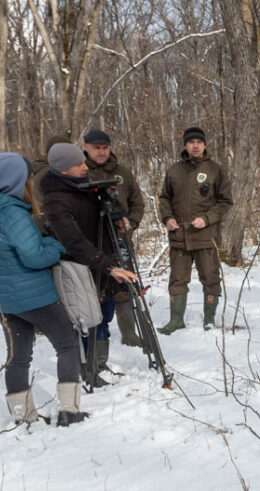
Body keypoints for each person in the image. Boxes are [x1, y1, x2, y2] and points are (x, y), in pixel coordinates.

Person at [0, 152, 86, 427]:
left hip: (3, 300)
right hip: (32, 296)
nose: (31, 181)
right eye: (28, 177)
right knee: (67, 344)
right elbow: (34, 257)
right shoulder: (13, 214)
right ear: (16, 181)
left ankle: (24, 417)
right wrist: (54, 247)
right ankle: (69, 410)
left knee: (18, 357)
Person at [38, 142, 139, 386]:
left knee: (104, 315)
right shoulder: (55, 198)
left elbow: (111, 213)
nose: (86, 166)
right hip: (81, 267)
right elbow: (73, 240)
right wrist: (105, 265)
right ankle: (86, 369)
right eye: (79, 164)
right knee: (86, 319)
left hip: (104, 260)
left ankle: (99, 366)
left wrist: (116, 212)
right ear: (63, 169)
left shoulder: (86, 184)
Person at [157, 126, 233, 333]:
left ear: (205, 144)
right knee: (177, 280)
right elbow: (164, 198)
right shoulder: (174, 170)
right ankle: (176, 320)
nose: (196, 145)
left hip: (206, 237)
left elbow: (225, 202)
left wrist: (207, 219)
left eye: (199, 142)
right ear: (185, 145)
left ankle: (209, 319)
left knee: (210, 277)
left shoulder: (215, 170)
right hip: (179, 237)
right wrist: (168, 218)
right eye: (191, 142)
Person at [83, 128, 147, 348]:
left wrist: (131, 221)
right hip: (93, 242)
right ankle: (97, 345)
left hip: (120, 239)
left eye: (105, 148)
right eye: (96, 148)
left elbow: (137, 202)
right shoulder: (79, 171)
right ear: (86, 147)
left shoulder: (122, 172)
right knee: (97, 289)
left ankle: (129, 334)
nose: (101, 152)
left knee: (124, 285)